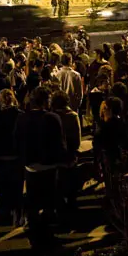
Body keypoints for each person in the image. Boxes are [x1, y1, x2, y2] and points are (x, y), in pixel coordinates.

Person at [14, 87, 67, 250]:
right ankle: (46, 234)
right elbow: (59, 143)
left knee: (33, 201)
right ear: (45, 100)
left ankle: (35, 235)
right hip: (49, 166)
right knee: (49, 201)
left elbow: (16, 141)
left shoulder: (22, 118)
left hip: (30, 166)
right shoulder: (52, 118)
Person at [0, 89, 24, 225]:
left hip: (3, 157)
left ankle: (3, 215)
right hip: (17, 156)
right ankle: (17, 216)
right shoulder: (20, 116)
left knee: (4, 189)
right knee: (17, 188)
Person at [50, 90, 81, 219]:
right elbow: (77, 139)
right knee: (71, 188)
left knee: (58, 189)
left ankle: (60, 213)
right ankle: (72, 211)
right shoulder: (73, 116)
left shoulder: (51, 116)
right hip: (70, 156)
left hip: (56, 157)